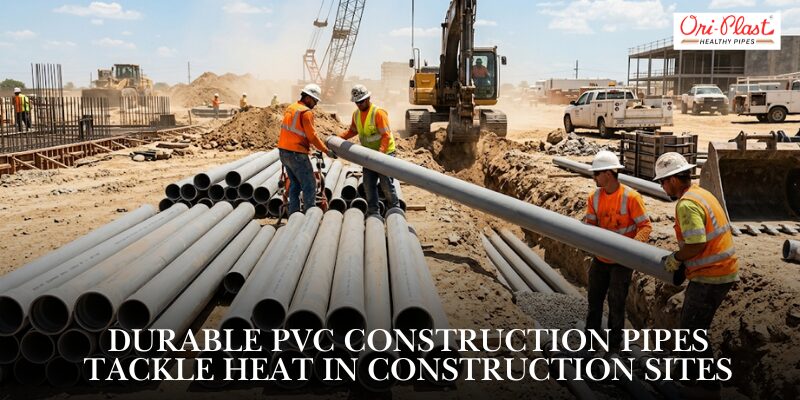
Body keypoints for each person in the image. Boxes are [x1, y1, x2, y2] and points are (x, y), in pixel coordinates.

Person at [654, 152, 738, 397]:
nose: (662, 187)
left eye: (663, 182)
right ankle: (688, 377)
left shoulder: (687, 204)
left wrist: (676, 258)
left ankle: (707, 387)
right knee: (691, 329)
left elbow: (697, 243)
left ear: (673, 180)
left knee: (692, 332)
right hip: (721, 270)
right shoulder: (702, 193)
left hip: (711, 275)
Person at [582, 150, 652, 356]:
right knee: (594, 302)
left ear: (608, 173)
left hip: (621, 262)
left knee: (616, 303)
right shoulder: (594, 197)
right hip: (600, 259)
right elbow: (590, 227)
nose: (594, 177)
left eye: (596, 173)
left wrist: (631, 250)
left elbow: (645, 227)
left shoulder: (631, 197)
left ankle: (613, 347)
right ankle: (591, 343)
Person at [337, 84, 399, 216]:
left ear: (368, 98)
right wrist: (338, 139)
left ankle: (395, 209)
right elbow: (352, 131)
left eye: (361, 101)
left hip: (385, 153)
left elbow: (386, 136)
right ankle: (373, 212)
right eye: (357, 102)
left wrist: (380, 155)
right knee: (368, 185)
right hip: (369, 155)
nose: (359, 104)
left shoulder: (378, 113)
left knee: (386, 184)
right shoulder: (356, 114)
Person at [277, 83, 335, 214]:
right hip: (296, 154)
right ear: (308, 98)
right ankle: (309, 217)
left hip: (284, 152)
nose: (316, 104)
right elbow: (312, 136)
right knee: (310, 185)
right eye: (315, 100)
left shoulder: (291, 108)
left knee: (295, 185)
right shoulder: (306, 112)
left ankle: (294, 215)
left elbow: (295, 133)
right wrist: (326, 150)